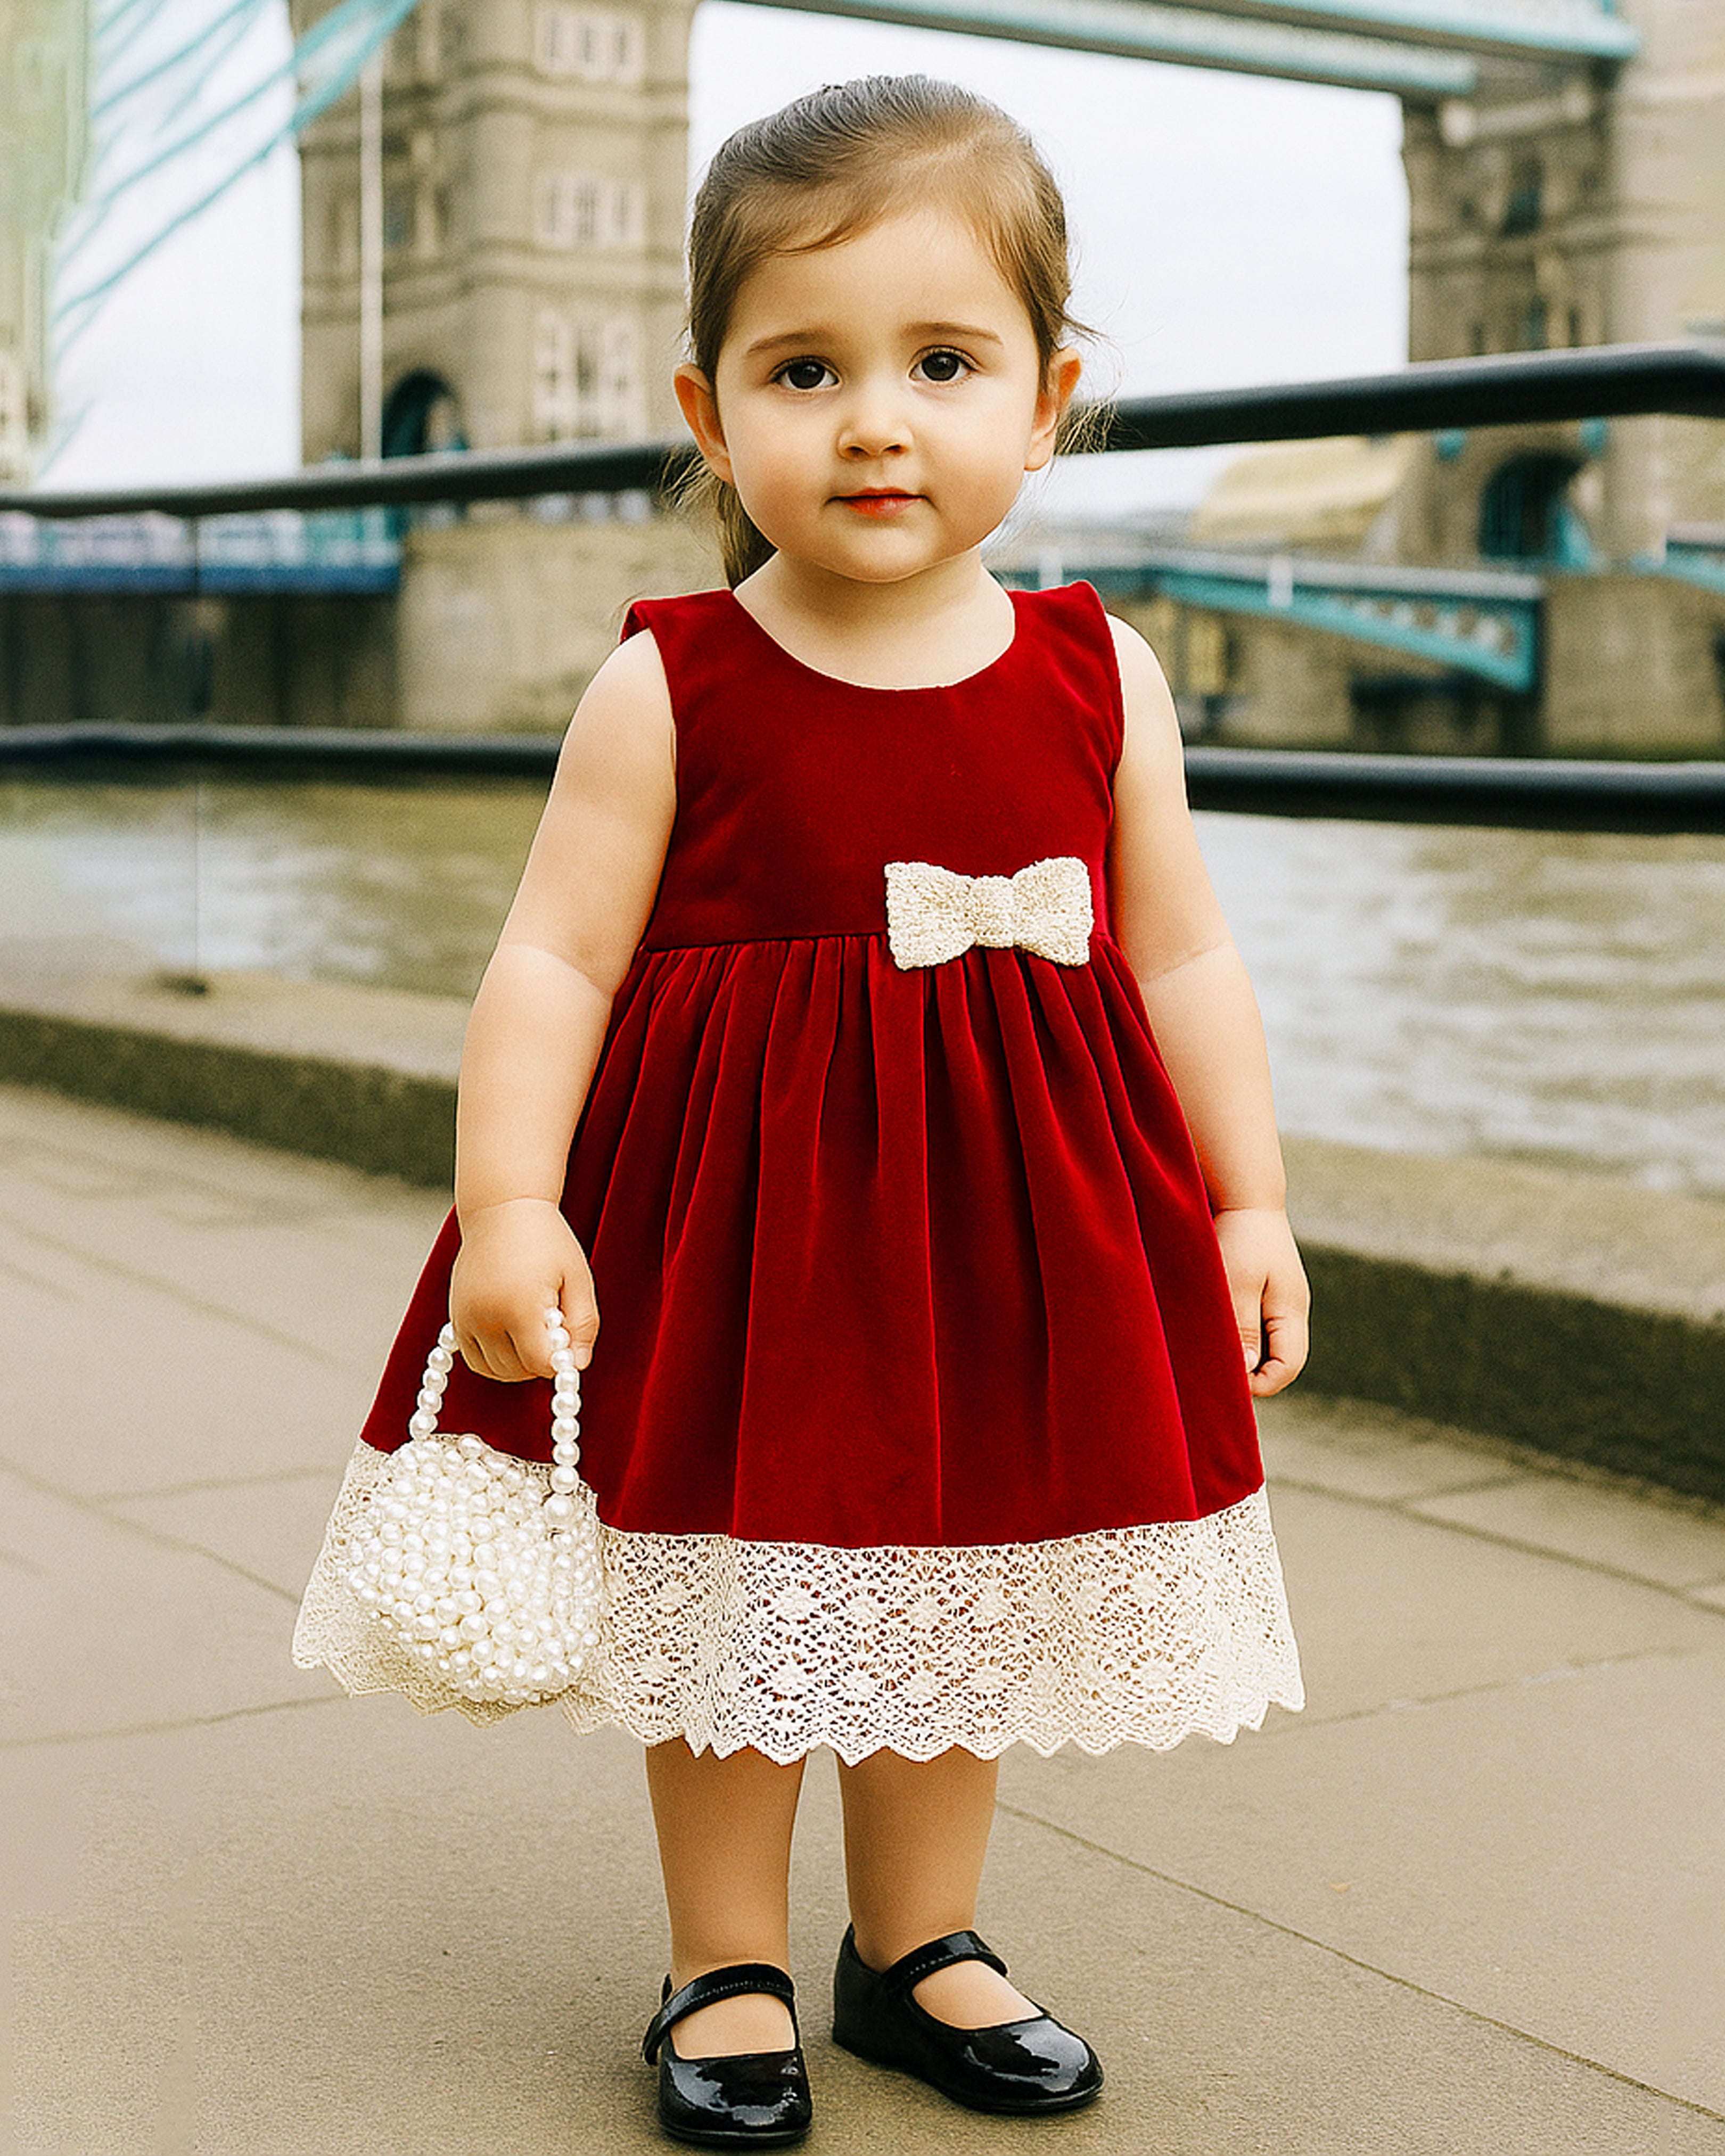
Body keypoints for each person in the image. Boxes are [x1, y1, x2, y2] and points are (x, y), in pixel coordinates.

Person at [295, 72, 1306, 2148]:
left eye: (944, 363)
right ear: (708, 406)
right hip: (746, 1230)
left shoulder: (1093, 674)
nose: (874, 418)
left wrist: (1249, 1200)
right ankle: (727, 1951)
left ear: (1049, 403)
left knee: (973, 1582)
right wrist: (509, 1196)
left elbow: (1185, 954)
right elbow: (552, 959)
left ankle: (920, 1936)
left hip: (1014, 1235)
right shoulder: (675, 680)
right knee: (738, 1604)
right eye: (805, 366)